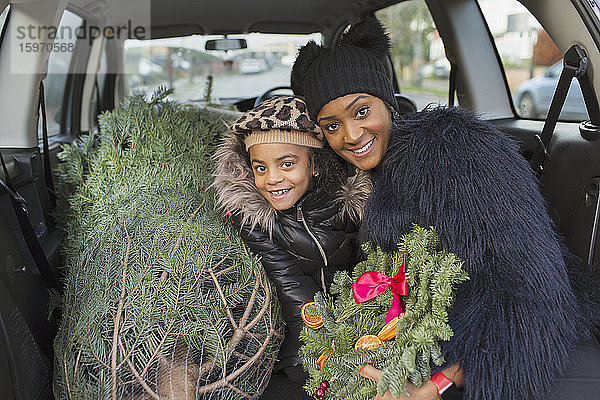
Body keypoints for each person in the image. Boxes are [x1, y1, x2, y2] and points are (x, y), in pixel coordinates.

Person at [291, 18, 600, 400]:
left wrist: (437, 383)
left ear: (387, 102)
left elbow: (519, 284)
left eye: (361, 112)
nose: (351, 136)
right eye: (332, 125)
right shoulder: (357, 179)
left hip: (521, 350)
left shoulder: (451, 153)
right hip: (445, 345)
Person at [213, 96, 371, 390]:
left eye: (286, 164)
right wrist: (325, 351)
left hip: (365, 320)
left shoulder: (350, 205)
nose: (272, 179)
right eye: (260, 168)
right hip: (304, 336)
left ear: (315, 165)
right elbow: (291, 286)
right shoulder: (257, 221)